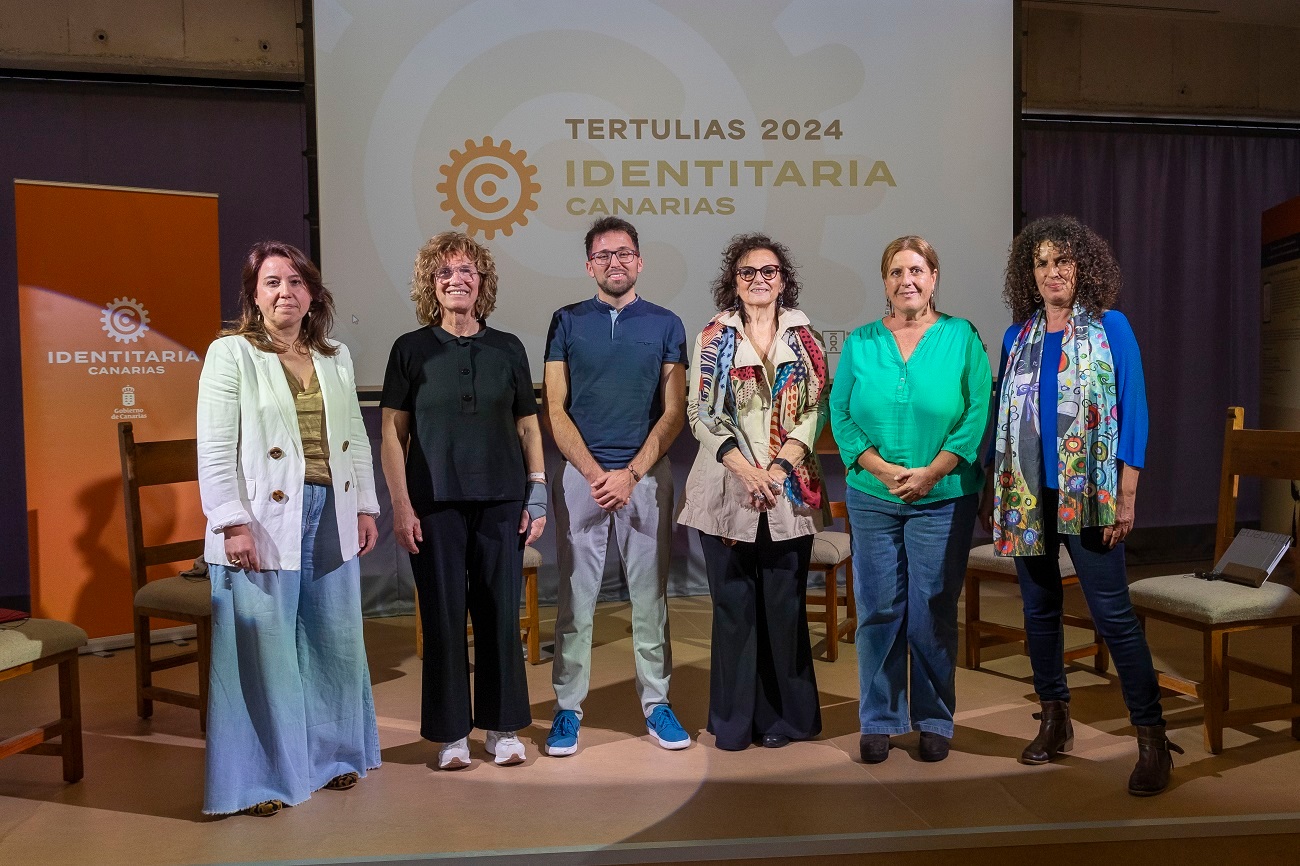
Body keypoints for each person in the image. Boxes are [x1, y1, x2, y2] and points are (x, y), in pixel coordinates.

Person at [983, 215, 1182, 796]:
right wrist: (999, 491)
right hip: (1027, 494)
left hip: (1091, 495)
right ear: (1030, 274)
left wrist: (1128, 492)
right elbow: (1005, 419)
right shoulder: (1016, 337)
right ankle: (1054, 719)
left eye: (1062, 261)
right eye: (1041, 263)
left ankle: (1151, 738)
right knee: (1038, 613)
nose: (1052, 272)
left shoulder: (1110, 328)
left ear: (1084, 267)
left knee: (1114, 618)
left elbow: (1135, 408)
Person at [197, 240, 381, 817]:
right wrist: (231, 523)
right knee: (263, 651)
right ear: (254, 294)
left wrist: (366, 507)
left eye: (296, 282)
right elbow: (215, 446)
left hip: (332, 510)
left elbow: (353, 437)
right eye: (273, 282)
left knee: (335, 641)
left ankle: (328, 758)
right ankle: (259, 780)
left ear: (312, 294)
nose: (286, 292)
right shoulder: (231, 353)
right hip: (260, 520)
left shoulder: (335, 355)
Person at [380, 231, 546, 770]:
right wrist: (402, 507)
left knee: (500, 614)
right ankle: (452, 734)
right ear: (432, 283)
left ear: (482, 283)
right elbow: (391, 435)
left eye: (468, 271)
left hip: (501, 501)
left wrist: (537, 492)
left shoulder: (509, 348)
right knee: (445, 617)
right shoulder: (410, 349)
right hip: (434, 506)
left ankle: (502, 729)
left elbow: (527, 426)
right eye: (446, 272)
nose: (458, 280)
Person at [829, 236, 991, 765]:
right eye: (897, 272)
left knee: (932, 609)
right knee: (878, 610)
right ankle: (879, 719)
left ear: (934, 276)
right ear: (885, 282)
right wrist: (877, 466)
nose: (908, 281)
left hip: (943, 495)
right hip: (872, 496)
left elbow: (975, 414)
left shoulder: (962, 336)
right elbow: (841, 413)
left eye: (917, 271)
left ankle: (933, 718)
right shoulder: (861, 341)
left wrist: (932, 472)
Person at [542, 217, 690, 756]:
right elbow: (554, 409)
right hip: (582, 477)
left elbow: (674, 413)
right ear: (590, 266)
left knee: (650, 599)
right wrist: (593, 472)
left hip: (646, 478)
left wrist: (630, 474)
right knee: (576, 602)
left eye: (624, 253)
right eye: (603, 256)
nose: (615, 262)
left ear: (639, 261)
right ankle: (567, 709)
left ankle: (657, 703)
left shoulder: (667, 323)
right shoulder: (566, 321)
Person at [678, 233, 827, 751]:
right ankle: (734, 724)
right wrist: (746, 470)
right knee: (734, 611)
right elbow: (700, 413)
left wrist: (780, 468)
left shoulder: (805, 338)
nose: (759, 280)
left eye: (768, 272)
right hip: (726, 489)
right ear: (733, 282)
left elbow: (815, 409)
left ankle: (785, 721)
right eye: (748, 272)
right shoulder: (712, 337)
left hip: (788, 490)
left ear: (783, 279)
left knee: (784, 611)